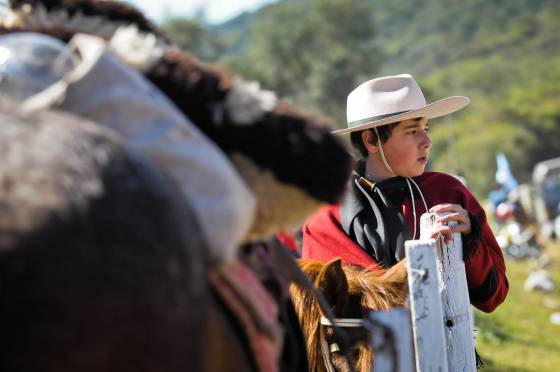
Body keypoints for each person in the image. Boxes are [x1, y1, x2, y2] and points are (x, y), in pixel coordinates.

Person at [301, 74, 508, 312]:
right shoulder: (327, 217)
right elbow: (336, 304)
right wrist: (418, 259)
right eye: (412, 131)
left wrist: (469, 240)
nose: (427, 141)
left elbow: (493, 297)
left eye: (425, 128)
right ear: (371, 140)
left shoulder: (448, 192)